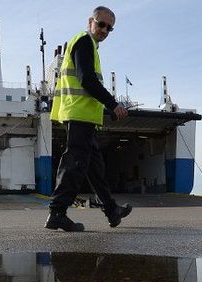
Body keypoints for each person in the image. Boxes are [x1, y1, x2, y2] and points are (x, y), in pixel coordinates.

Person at [45, 6, 132, 232]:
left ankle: (112, 210)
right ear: (90, 21)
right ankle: (57, 212)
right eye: (101, 24)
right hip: (78, 115)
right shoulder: (84, 41)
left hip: (85, 117)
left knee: (95, 168)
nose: (104, 30)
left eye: (109, 28)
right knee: (74, 164)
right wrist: (113, 104)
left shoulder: (91, 46)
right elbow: (87, 80)